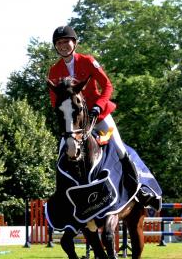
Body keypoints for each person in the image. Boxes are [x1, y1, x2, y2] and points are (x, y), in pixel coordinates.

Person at [48, 25, 140, 193]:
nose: (63, 45)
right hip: (75, 122)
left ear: (74, 43)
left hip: (98, 115)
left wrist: (98, 106)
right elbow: (55, 100)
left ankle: (136, 188)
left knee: (119, 148)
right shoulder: (54, 71)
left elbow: (107, 86)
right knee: (62, 154)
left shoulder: (88, 61)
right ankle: (62, 194)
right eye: (59, 43)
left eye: (66, 41)